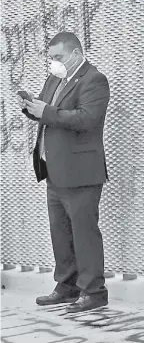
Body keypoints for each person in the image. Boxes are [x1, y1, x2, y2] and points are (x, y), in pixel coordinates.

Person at [18, 31, 110, 313]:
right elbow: (48, 112)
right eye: (51, 58)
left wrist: (46, 111)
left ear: (75, 54)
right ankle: (67, 286)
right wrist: (31, 108)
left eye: (58, 57)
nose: (54, 63)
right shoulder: (55, 79)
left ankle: (93, 291)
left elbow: (87, 118)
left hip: (81, 173)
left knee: (84, 234)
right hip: (55, 171)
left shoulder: (94, 80)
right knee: (61, 234)